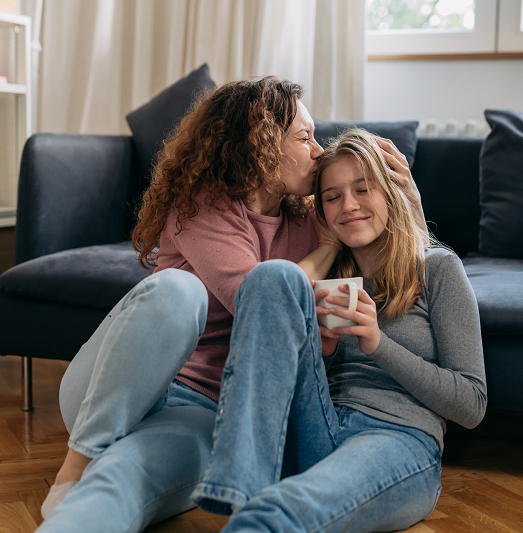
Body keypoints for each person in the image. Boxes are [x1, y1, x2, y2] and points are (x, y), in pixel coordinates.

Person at [38, 77, 424, 532]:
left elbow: (388, 249)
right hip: (117, 384)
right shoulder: (200, 207)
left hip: (202, 410)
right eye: (304, 137)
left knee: (125, 474)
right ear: (259, 145)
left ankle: (82, 496)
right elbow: (261, 301)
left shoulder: (311, 217)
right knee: (179, 291)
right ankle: (78, 459)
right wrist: (322, 254)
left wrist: (410, 201)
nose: (318, 150)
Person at [190, 128, 487, 533]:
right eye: (332, 197)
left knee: (278, 513)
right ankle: (238, 482)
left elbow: (471, 405)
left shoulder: (437, 269)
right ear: (323, 212)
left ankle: (254, 506)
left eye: (363, 189)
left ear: (389, 192)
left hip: (396, 439)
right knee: (271, 277)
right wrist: (323, 350)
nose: (349, 206)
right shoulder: (328, 277)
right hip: (318, 426)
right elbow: (285, 354)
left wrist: (378, 344)